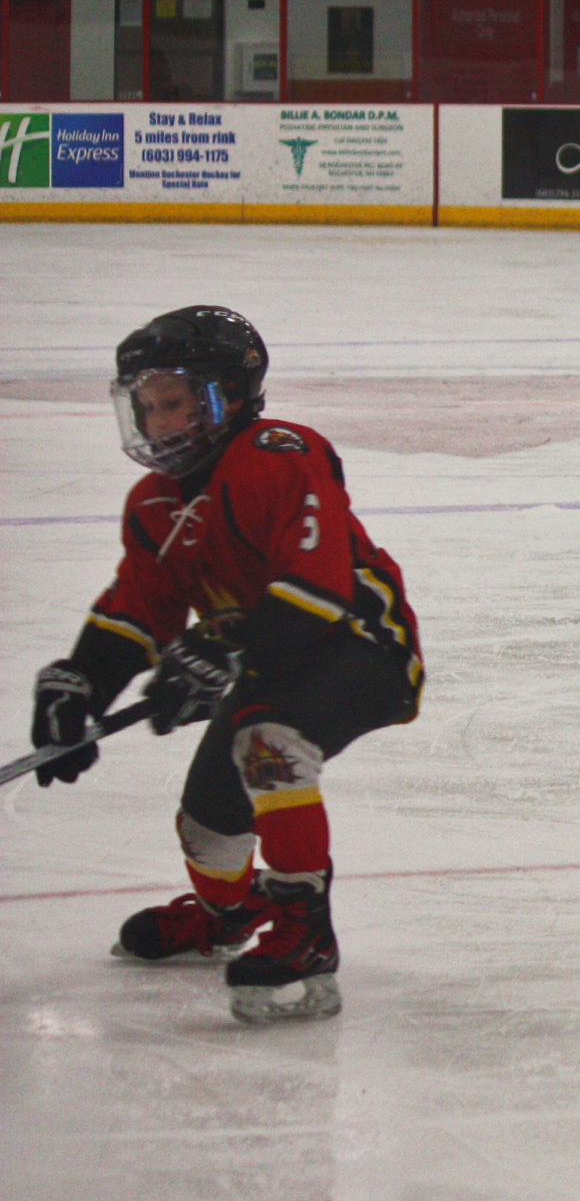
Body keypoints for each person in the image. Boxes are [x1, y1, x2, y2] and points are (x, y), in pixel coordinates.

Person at [28, 307, 423, 1025]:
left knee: (266, 739)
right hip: (269, 661)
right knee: (209, 817)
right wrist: (81, 682)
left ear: (228, 396)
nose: (157, 422)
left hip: (361, 643)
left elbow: (318, 589)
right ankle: (228, 913)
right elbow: (139, 611)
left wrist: (219, 652)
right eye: (146, 406)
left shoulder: (278, 453)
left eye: (173, 402)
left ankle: (306, 932)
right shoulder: (155, 504)